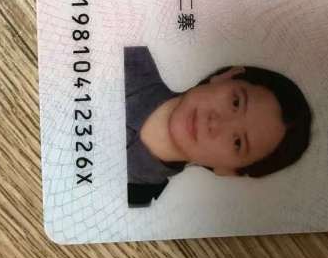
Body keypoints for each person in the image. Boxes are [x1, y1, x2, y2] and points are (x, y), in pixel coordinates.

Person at [124, 46, 311, 207]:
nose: (215, 123)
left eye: (237, 142)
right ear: (225, 77)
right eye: (236, 102)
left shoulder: (135, 201)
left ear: (228, 171)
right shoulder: (130, 52)